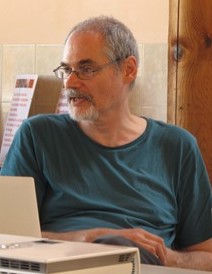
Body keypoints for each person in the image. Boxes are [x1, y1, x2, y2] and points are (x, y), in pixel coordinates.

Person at [0, 16, 212, 270]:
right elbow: (8, 239)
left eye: (86, 69)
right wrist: (93, 239)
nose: (70, 82)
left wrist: (162, 255)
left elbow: (205, 256)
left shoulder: (177, 147)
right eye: (66, 69)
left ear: (128, 69)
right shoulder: (37, 136)